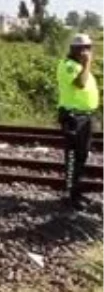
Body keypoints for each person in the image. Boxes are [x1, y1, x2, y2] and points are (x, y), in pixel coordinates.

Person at [57, 34, 99, 209]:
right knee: (73, 157)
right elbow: (80, 84)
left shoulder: (80, 66)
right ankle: (69, 196)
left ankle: (76, 193)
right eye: (83, 48)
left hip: (85, 116)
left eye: (89, 47)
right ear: (74, 49)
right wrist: (87, 63)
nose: (87, 51)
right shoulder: (68, 66)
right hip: (73, 117)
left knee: (81, 156)